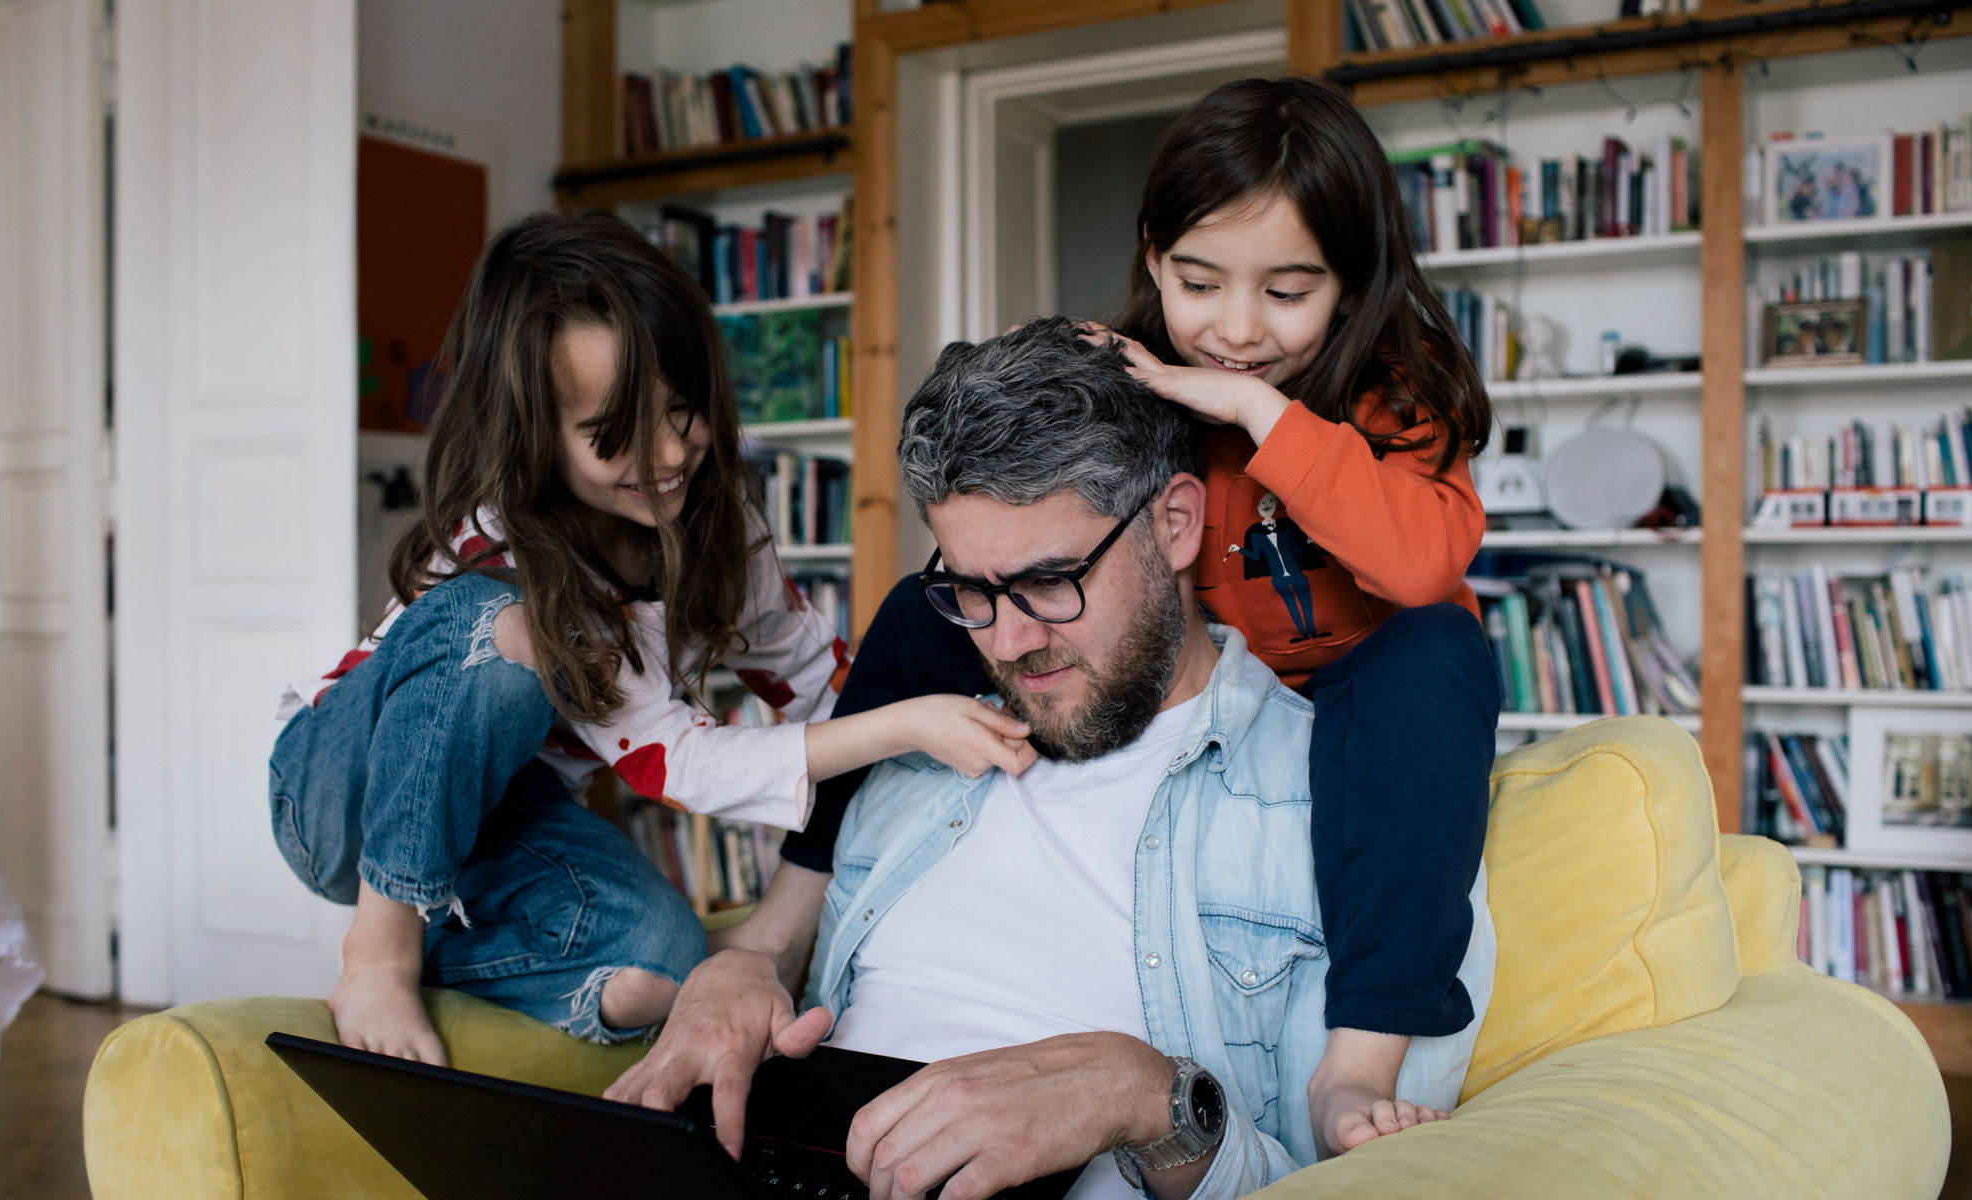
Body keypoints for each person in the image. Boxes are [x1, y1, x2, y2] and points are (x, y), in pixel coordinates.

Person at [772, 75, 1502, 1158]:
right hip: (1195, 665)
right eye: (1197, 283)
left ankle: (1353, 1068)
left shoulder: (1390, 396)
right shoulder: (1145, 375)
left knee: (1438, 651)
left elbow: (1416, 563)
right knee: (920, 602)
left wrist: (1256, 413)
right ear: (1152, 257)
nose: (1236, 331)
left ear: (1352, 287)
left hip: (1355, 690)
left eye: (1286, 292)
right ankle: (775, 917)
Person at [607, 320, 1494, 1200]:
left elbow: (1366, 1178)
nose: (1011, 638)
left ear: (1177, 525)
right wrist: (740, 971)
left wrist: (1144, 1098)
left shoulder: (1359, 800)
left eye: (1047, 582)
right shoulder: (917, 760)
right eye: (972, 592)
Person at [268, 211, 1035, 1067]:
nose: (669, 453)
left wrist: (899, 769)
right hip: (335, 794)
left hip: (497, 822)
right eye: (614, 437)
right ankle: (380, 948)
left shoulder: (715, 524)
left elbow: (810, 671)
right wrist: (904, 725)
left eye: (683, 412)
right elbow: (677, 759)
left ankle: (475, 946)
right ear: (535, 436)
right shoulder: (505, 545)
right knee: (500, 635)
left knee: (660, 962)